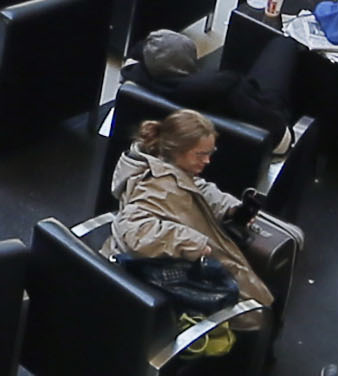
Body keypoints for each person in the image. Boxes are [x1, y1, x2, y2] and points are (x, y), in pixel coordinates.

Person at [109, 104, 294, 316]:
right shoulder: (156, 188)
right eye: (200, 154)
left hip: (168, 269)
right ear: (177, 151)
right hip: (169, 284)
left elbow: (195, 187)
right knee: (256, 311)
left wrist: (229, 207)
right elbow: (134, 231)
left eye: (210, 153)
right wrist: (192, 243)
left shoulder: (165, 166)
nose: (207, 160)